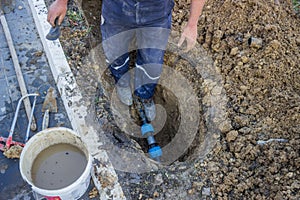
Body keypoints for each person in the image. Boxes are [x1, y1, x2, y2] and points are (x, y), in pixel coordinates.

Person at [47, 0, 206, 121]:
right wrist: (61, 1)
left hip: (157, 14)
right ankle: (122, 82)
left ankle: (144, 94)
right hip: (117, 10)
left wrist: (192, 24)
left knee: (152, 65)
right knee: (115, 54)